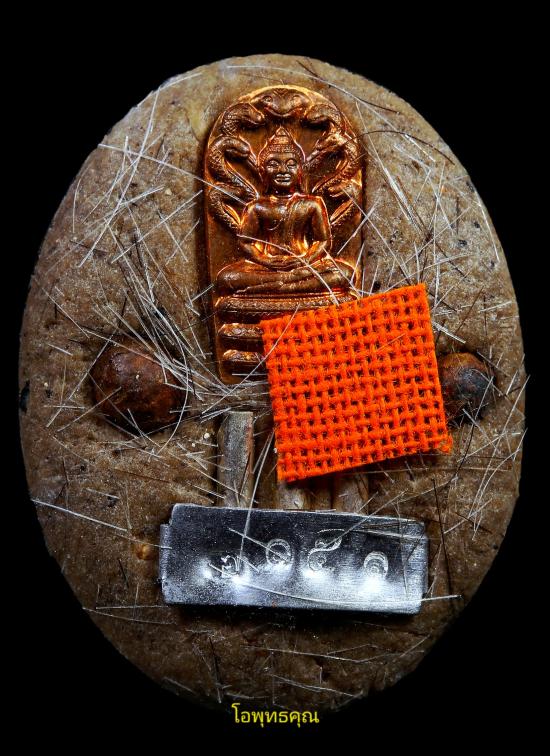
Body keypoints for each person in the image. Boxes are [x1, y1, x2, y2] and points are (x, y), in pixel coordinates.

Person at [216, 127, 355, 295]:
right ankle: (288, 283)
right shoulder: (257, 207)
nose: (282, 170)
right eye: (273, 164)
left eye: (291, 164)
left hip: (304, 265)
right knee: (226, 278)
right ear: (262, 172)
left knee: (345, 274)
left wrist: (304, 260)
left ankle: (286, 286)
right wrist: (265, 260)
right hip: (267, 267)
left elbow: (323, 241)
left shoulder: (312, 204)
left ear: (300, 171)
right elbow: (245, 242)